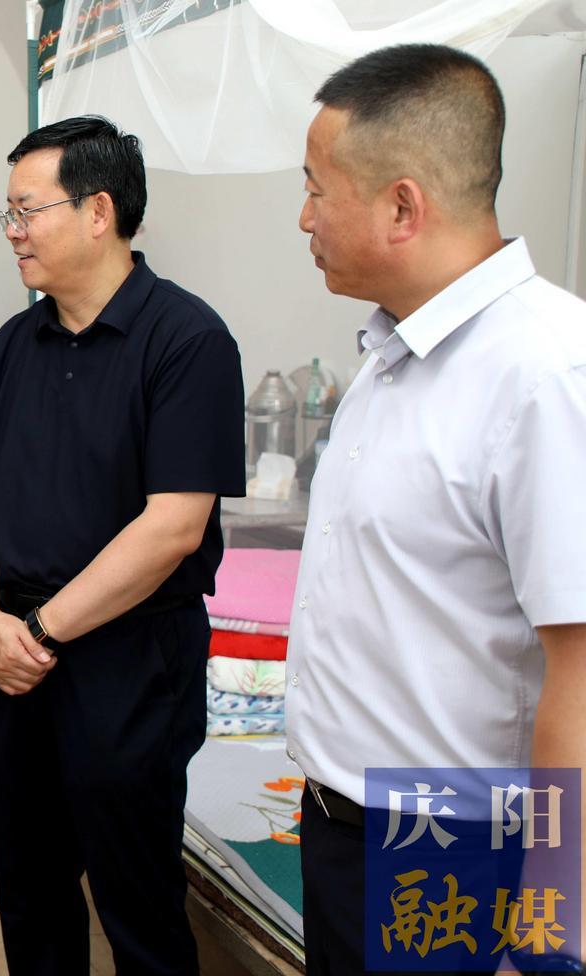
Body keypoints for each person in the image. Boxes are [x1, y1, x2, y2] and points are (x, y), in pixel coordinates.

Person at [289, 43, 586, 974]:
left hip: (456, 848)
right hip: (347, 825)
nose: (304, 217)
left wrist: (550, 931)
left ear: (402, 206)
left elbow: (581, 668)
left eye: (316, 189)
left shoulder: (544, 374)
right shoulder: (393, 354)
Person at [0, 116, 246, 974]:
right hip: (15, 655)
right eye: (7, 214)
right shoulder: (16, 343)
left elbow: (173, 527)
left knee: (136, 899)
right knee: (30, 891)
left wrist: (40, 631)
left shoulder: (187, 339)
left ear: (98, 211)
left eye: (27, 211)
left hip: (128, 656)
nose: (13, 232)